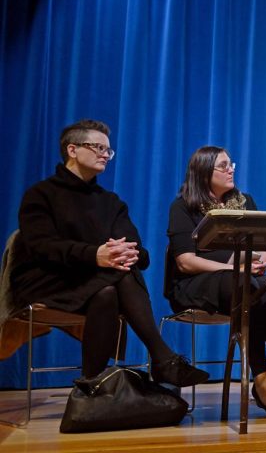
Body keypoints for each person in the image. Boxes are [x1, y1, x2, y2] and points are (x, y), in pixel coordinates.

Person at [13, 119, 208, 387]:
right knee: (116, 279)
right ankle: (162, 358)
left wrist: (127, 254)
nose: (106, 154)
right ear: (72, 150)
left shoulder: (110, 201)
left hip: (97, 281)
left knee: (109, 288)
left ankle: (92, 383)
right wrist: (95, 255)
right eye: (98, 148)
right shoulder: (41, 194)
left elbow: (141, 252)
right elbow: (42, 247)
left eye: (108, 150)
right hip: (48, 279)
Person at [167, 146, 266, 415]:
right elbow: (185, 261)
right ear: (204, 171)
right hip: (195, 285)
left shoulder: (244, 202)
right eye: (223, 165)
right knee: (245, 288)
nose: (231, 169)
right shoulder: (184, 207)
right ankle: (262, 377)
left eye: (231, 164)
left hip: (243, 281)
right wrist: (230, 266)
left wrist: (261, 259)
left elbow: (263, 242)